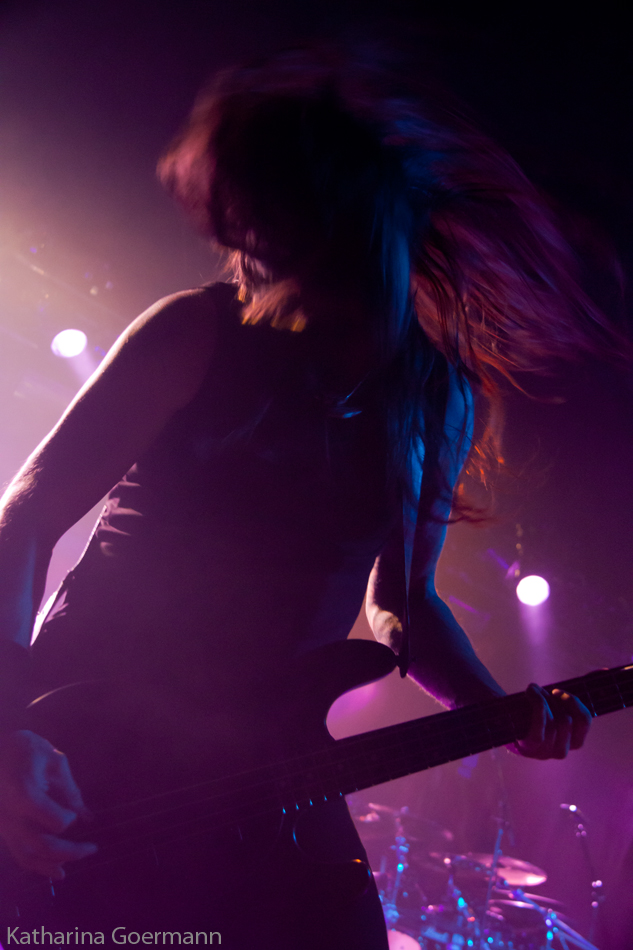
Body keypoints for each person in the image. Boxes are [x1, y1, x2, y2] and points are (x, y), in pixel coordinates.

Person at [0, 44, 598, 949]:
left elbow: (401, 601)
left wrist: (502, 715)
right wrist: (8, 729)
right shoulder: (195, 333)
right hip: (93, 730)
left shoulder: (436, 395)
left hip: (271, 760)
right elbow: (27, 517)